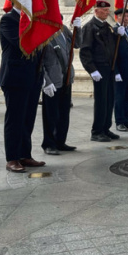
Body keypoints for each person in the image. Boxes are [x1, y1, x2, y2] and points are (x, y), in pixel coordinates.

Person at [0, 1, 46, 173]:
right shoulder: (8, 19)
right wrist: (40, 31)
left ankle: (25, 154)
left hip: (33, 76)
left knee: (28, 118)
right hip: (15, 77)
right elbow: (21, 43)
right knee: (15, 119)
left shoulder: (33, 20)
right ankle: (12, 158)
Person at [80, 0, 124, 142]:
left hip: (109, 68)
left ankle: (106, 128)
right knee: (101, 101)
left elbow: (111, 47)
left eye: (107, 10)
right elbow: (85, 51)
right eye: (104, 10)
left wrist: (118, 35)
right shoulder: (89, 27)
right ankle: (97, 131)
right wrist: (92, 70)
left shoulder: (107, 26)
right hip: (99, 69)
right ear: (96, 10)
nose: (107, 12)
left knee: (109, 100)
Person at [41, 17, 82, 155]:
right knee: (51, 114)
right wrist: (46, 81)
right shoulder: (43, 32)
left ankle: (60, 141)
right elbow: (39, 61)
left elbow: (77, 43)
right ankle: (49, 144)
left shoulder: (63, 29)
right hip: (52, 80)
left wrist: (78, 29)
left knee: (64, 112)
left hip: (66, 77)